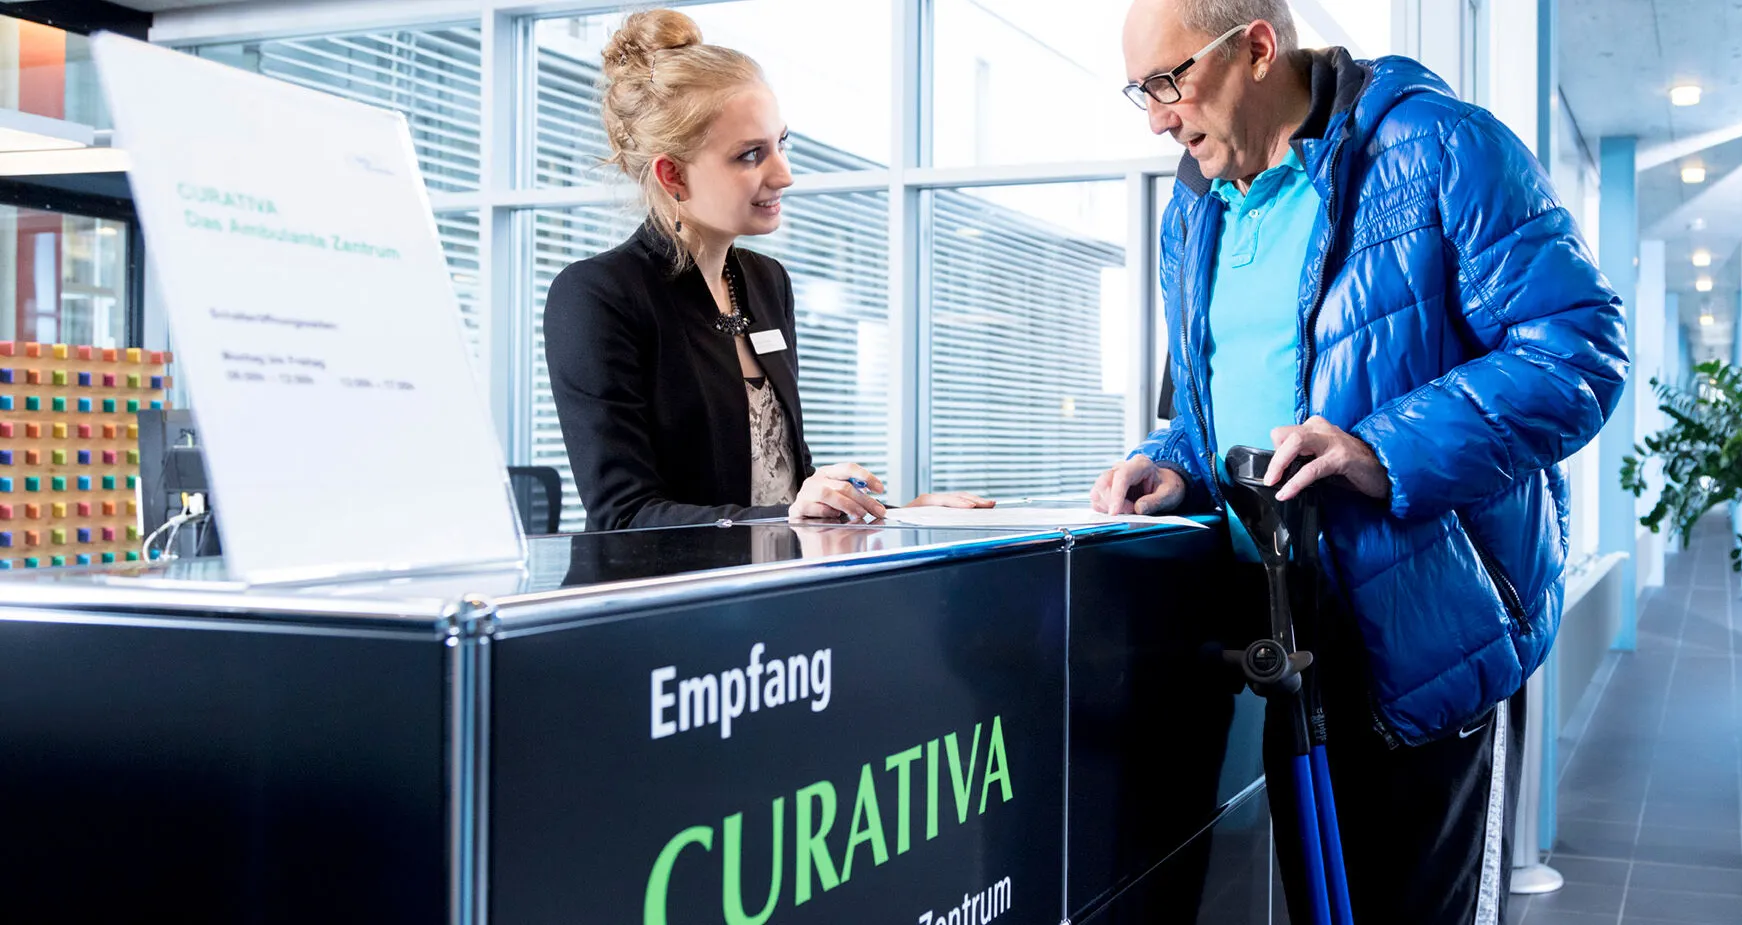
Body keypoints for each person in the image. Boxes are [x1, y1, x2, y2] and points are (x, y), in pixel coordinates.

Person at [1097, 1, 1629, 921]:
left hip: (1425, 632)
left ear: (1256, 48)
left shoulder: (1441, 147)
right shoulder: (1194, 206)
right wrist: (1169, 459)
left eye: (1167, 82)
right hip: (1287, 629)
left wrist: (1380, 448)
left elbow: (1578, 351)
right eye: (1139, 91)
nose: (1156, 118)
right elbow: (1203, 400)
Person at [545, 10, 986, 532]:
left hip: (772, 586)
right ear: (673, 175)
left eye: (781, 143)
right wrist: (791, 515)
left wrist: (890, 514)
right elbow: (626, 516)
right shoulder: (599, 295)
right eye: (751, 154)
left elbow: (775, 483)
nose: (785, 174)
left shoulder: (765, 281)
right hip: (678, 601)